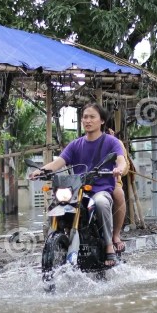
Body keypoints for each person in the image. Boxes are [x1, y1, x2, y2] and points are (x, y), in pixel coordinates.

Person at [30, 102, 126, 267]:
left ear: (102, 121)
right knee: (56, 205)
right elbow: (58, 162)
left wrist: (119, 169)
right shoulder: (75, 144)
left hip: (100, 189)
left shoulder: (111, 142)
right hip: (76, 190)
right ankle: (55, 242)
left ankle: (109, 244)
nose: (88, 120)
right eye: (85, 117)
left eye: (92, 117)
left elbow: (121, 160)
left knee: (102, 203)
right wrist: (41, 170)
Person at [107, 128, 129, 254]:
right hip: (87, 182)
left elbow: (125, 167)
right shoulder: (81, 141)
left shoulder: (116, 143)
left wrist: (118, 169)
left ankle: (115, 235)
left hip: (110, 181)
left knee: (118, 193)